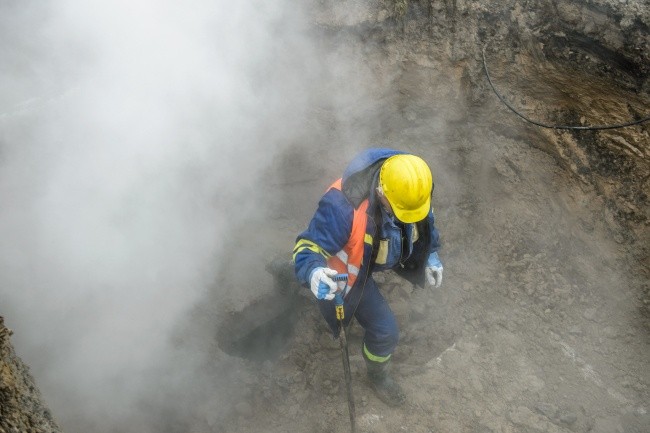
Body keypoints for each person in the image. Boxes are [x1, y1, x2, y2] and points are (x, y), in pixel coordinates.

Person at [292, 148, 443, 407]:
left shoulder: (412, 189)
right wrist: (312, 270)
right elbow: (308, 246)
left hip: (367, 259)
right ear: (381, 193)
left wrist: (430, 255)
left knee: (384, 334)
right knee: (368, 327)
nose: (403, 218)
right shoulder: (342, 207)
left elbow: (425, 224)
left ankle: (377, 375)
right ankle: (288, 275)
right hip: (346, 274)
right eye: (399, 212)